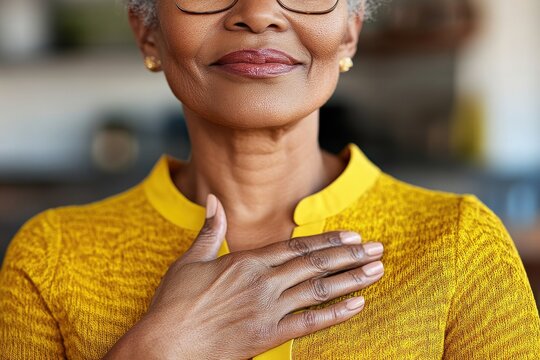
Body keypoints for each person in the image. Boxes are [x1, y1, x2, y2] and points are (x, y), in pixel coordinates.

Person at [1, 0, 539, 359]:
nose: (258, 13)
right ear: (147, 30)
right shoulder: (51, 257)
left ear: (350, 31)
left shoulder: (460, 245)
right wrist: (158, 348)